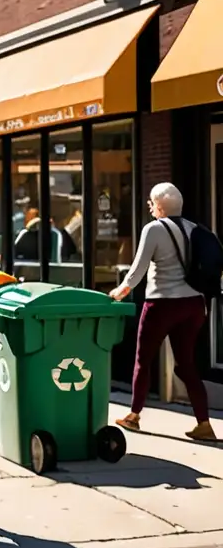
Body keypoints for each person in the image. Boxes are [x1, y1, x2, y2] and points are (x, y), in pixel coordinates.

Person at [110, 183, 216, 441]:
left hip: (161, 305)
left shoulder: (153, 229)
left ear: (158, 206)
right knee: (187, 363)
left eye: (150, 202)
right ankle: (204, 424)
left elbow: (137, 269)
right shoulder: (194, 230)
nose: (148, 206)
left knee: (143, 360)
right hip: (193, 305)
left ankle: (133, 416)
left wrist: (120, 291)